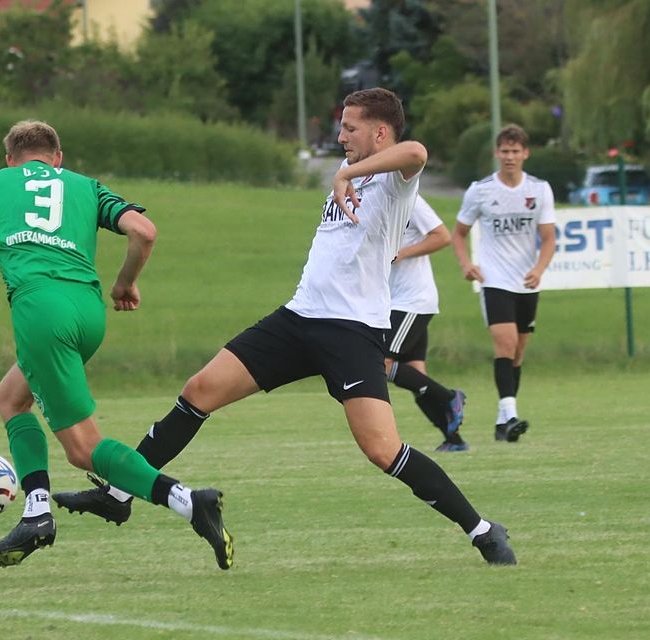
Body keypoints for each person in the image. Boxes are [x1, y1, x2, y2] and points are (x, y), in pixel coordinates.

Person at [54, 89, 517, 565]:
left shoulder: (396, 181)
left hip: (351, 331)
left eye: (350, 128)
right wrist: (345, 173)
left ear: (380, 132)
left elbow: (416, 151)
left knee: (383, 450)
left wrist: (348, 172)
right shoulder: (349, 175)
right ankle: (118, 494)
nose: (340, 137)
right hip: (298, 318)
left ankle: (482, 530)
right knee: (199, 390)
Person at [0, 120, 233, 570]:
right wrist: (125, 283)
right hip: (88, 315)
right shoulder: (86, 187)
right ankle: (36, 511)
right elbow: (144, 232)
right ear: (57, 158)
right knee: (11, 398)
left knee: (83, 449)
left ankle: (189, 501)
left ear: (9, 159)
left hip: (40, 314)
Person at [451, 123, 556, 443]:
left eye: (516, 151)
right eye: (505, 151)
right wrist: (467, 264)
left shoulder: (539, 190)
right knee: (506, 344)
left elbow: (549, 238)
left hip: (527, 281)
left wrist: (539, 268)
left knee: (518, 352)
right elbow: (458, 233)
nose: (510, 157)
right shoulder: (480, 190)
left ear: (525, 153)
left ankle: (501, 423)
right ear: (497, 153)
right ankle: (510, 415)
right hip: (494, 280)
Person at [385, 195, 468, 452]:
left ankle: (449, 397)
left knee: (380, 362)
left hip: (411, 300)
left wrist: (402, 253)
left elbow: (442, 236)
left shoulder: (409, 199)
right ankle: (453, 439)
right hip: (393, 300)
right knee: (416, 375)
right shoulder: (372, 199)